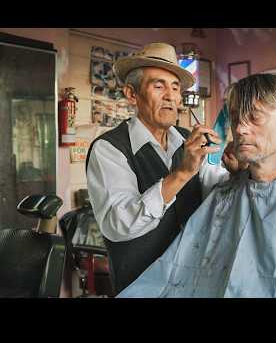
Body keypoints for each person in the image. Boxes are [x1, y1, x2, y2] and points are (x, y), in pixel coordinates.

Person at [118, 73, 276, 298]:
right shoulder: (225, 195)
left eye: (255, 117)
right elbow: (175, 271)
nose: (241, 128)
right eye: (235, 117)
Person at [86, 43, 241, 294]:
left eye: (175, 87)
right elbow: (119, 224)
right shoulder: (109, 149)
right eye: (158, 86)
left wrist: (235, 172)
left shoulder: (189, 140)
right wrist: (181, 174)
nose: (170, 95)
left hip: (193, 285)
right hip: (142, 289)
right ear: (132, 94)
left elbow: (216, 195)